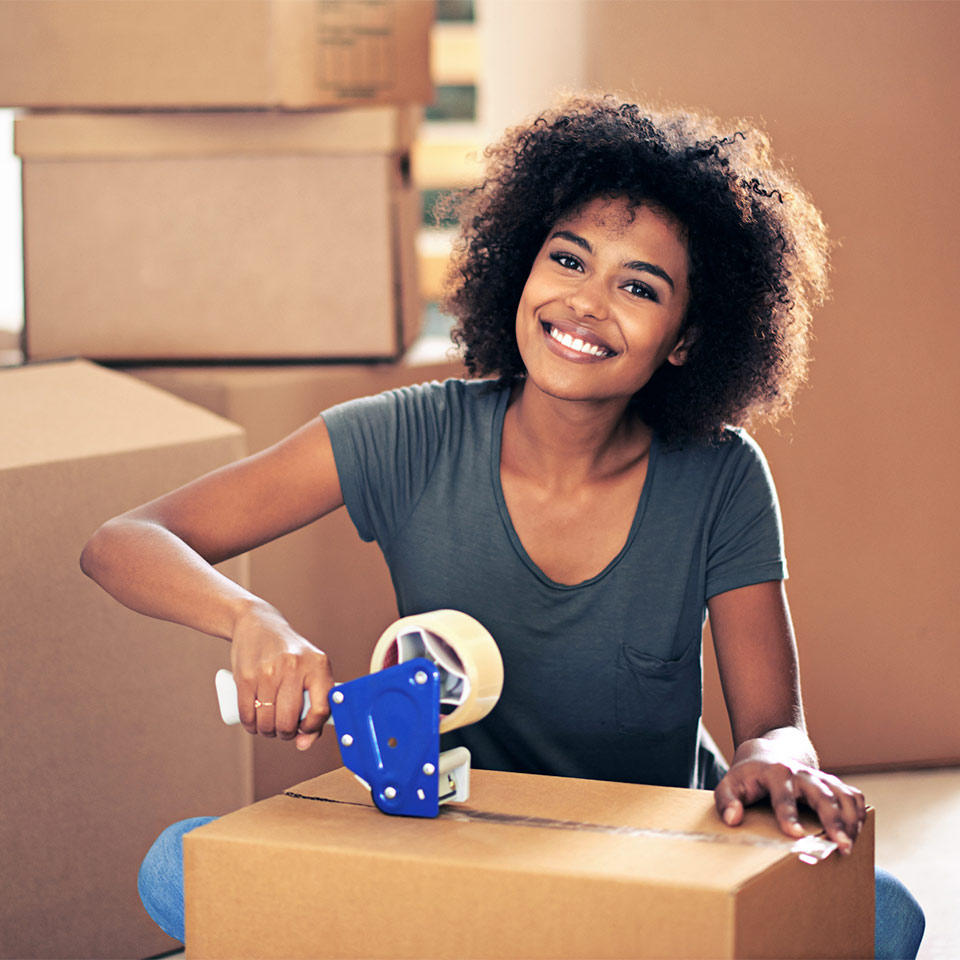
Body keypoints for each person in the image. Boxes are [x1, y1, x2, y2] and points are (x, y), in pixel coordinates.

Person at [80, 94, 924, 958]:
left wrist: (781, 757)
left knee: (884, 916)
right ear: (522, 267)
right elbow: (123, 540)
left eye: (639, 287)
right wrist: (249, 619)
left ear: (685, 339)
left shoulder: (719, 473)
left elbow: (771, 723)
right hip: (462, 843)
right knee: (173, 866)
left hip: (649, 858)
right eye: (568, 259)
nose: (587, 304)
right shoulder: (406, 436)